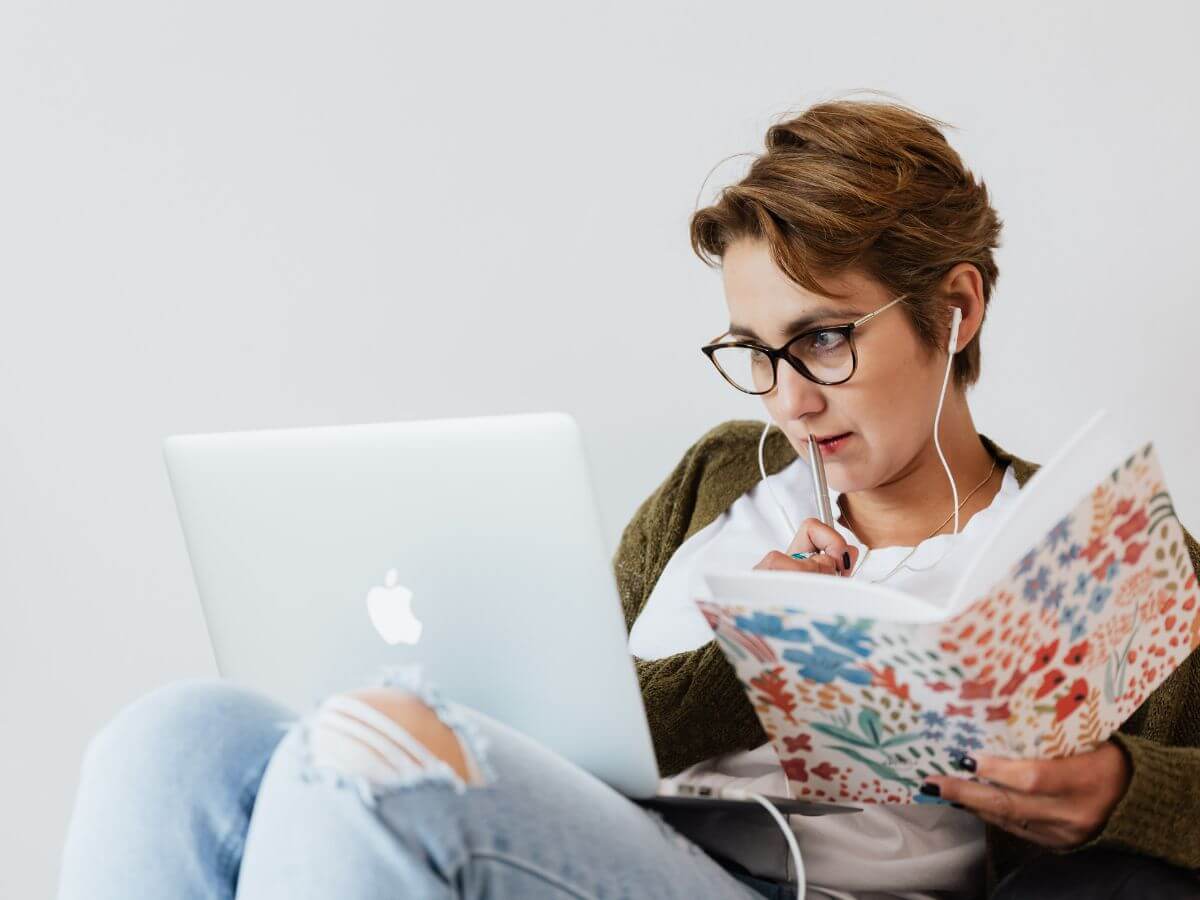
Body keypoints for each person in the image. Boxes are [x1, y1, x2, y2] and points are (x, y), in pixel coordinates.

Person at [57, 99, 1200, 900]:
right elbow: (577, 740)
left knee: (366, 762)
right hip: (615, 851)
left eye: (823, 341)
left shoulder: (1086, 544)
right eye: (754, 350)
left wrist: (1121, 789)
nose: (789, 400)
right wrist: (750, 655)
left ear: (955, 308)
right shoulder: (720, 479)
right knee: (177, 735)